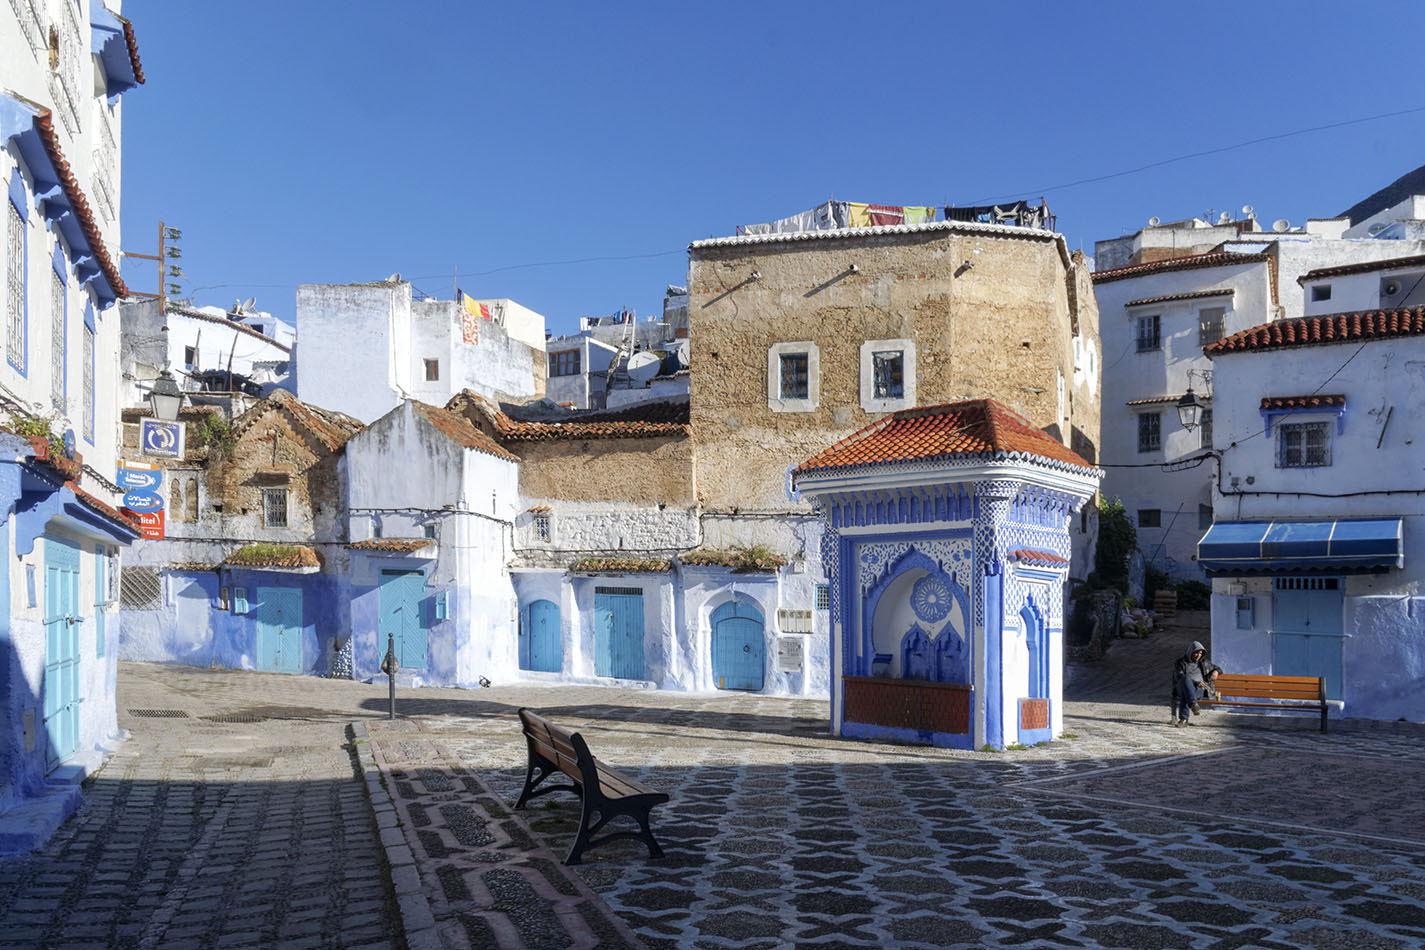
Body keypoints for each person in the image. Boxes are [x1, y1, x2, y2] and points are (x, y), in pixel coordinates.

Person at [1172, 640, 1221, 726]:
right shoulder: (1180, 663)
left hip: (1199, 690)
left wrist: (1216, 671)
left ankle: (1184, 720)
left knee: (1186, 693)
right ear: (1191, 651)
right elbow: (1179, 676)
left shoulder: (1204, 662)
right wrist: (1195, 683)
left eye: (1201, 653)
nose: (1199, 655)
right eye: (1196, 653)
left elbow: (1218, 669)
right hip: (1181, 687)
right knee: (1186, 680)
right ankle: (1193, 704)